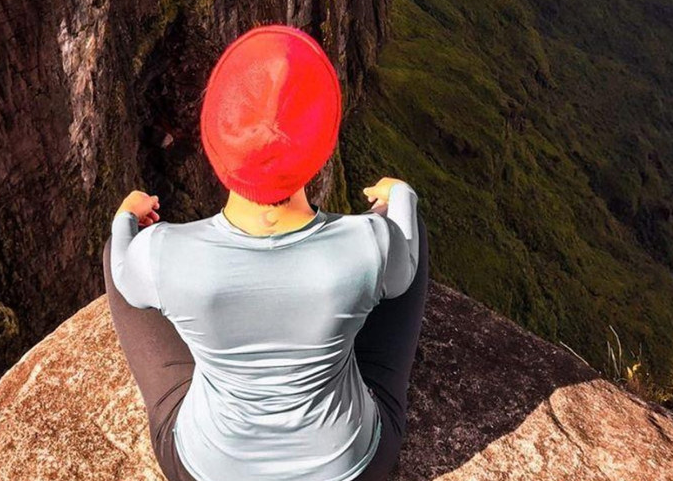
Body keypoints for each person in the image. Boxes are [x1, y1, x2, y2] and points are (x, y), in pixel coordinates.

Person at [102, 23, 429, 481]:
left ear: (214, 145)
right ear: (321, 147)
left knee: (115, 253)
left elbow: (124, 274)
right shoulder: (369, 243)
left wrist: (126, 219)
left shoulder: (164, 254)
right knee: (411, 237)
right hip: (351, 468)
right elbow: (403, 272)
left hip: (207, 469)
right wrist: (401, 198)